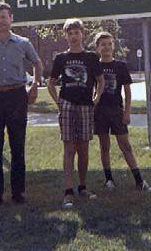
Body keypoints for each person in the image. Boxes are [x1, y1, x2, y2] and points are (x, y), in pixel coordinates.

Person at [0, 2, 43, 210]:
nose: (0, 21)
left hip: (16, 96)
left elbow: (37, 63)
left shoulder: (23, 43)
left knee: (17, 146)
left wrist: (35, 86)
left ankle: (18, 192)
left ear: (11, 18)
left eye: (3, 17)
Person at [47, 19, 105, 208]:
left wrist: (96, 98)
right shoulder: (61, 58)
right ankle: (68, 191)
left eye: (76, 33)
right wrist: (58, 102)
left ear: (82, 34)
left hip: (86, 106)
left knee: (83, 148)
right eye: (70, 33)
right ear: (66, 36)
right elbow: (51, 83)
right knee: (69, 149)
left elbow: (101, 81)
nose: (73, 36)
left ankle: (83, 186)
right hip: (67, 105)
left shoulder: (91, 57)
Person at [93, 31, 151, 192]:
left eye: (109, 44)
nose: (106, 47)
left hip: (116, 110)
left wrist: (127, 112)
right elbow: (92, 89)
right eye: (103, 44)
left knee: (125, 146)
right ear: (97, 48)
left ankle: (139, 180)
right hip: (100, 112)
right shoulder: (95, 66)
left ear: (113, 46)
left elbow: (127, 91)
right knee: (104, 146)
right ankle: (108, 179)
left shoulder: (120, 66)